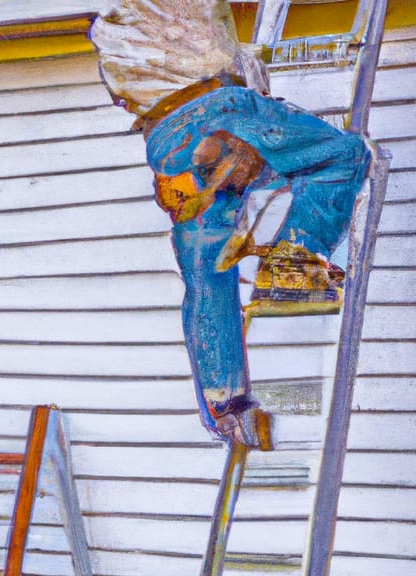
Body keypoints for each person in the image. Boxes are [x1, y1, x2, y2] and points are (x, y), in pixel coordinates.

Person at [91, 0, 371, 448]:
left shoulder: (121, 16)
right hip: (221, 110)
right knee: (342, 156)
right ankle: (292, 263)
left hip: (166, 147)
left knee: (207, 277)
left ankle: (225, 409)